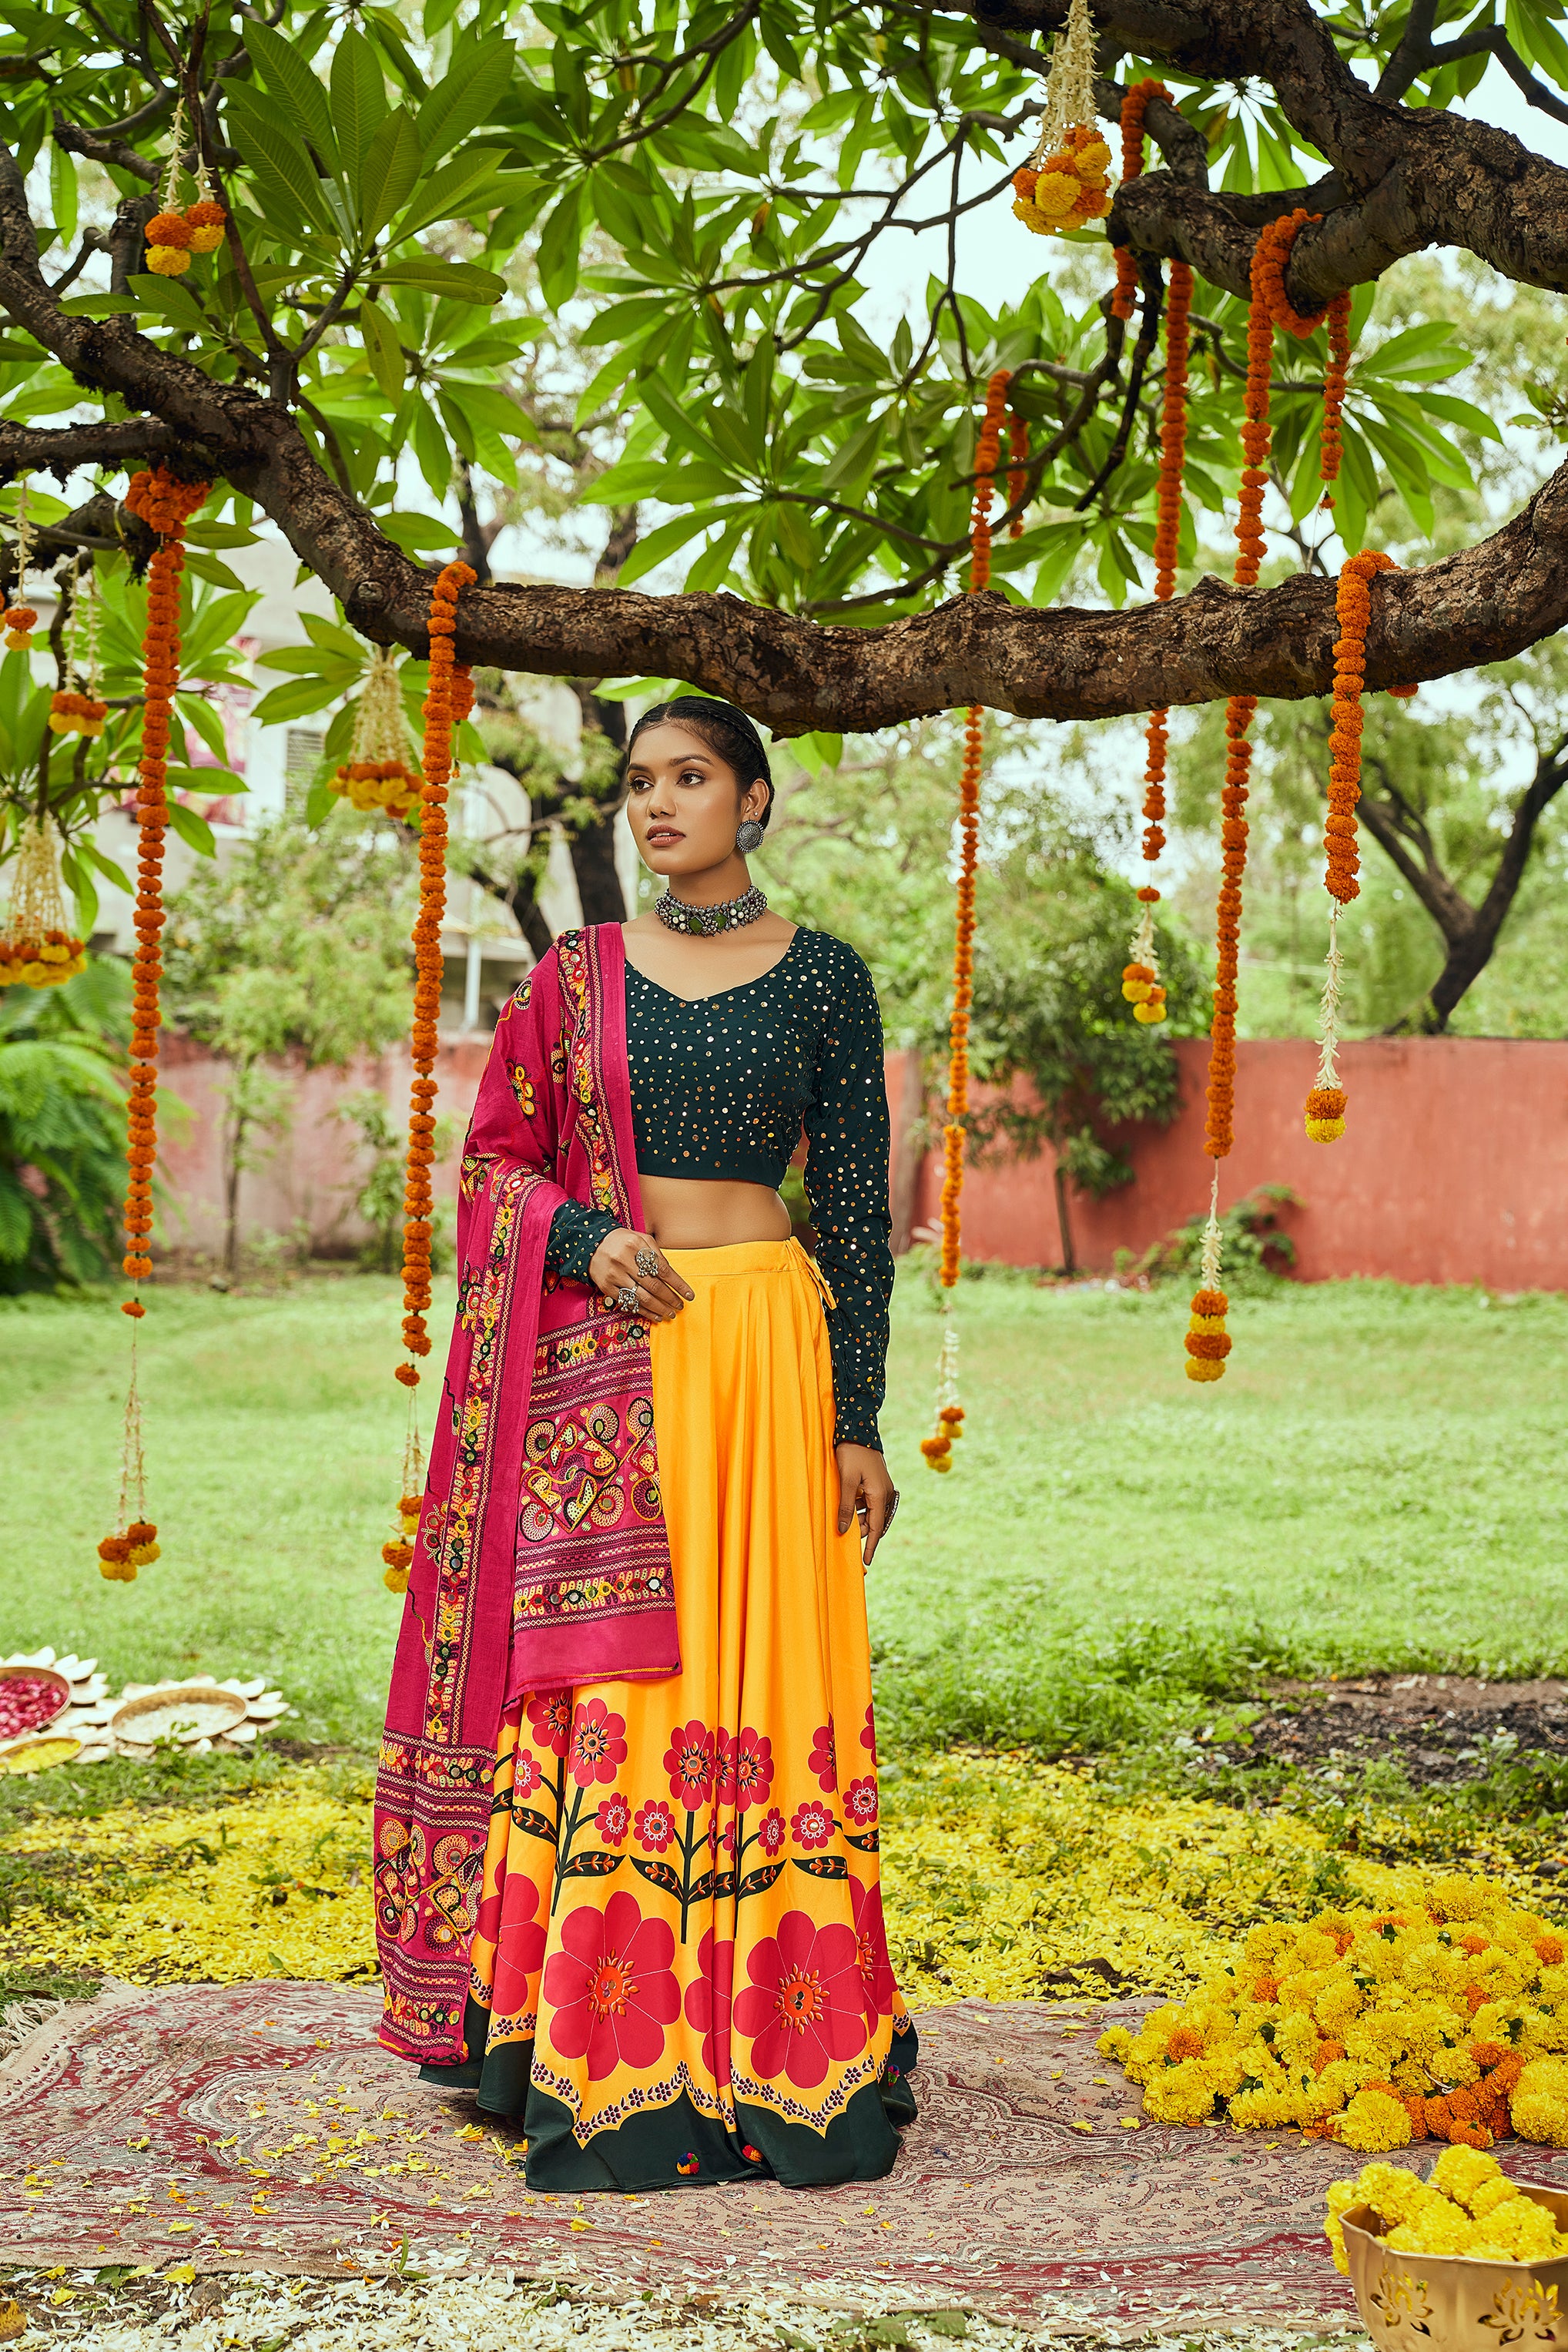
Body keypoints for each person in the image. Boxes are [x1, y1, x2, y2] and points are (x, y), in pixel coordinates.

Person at [374, 695, 916, 2193]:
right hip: (616, 1365)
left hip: (768, 1355)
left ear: (755, 799)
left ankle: (783, 2035)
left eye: (691, 777)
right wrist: (586, 1239)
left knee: (768, 1673)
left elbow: (856, 1213)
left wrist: (859, 1420)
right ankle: (596, 2036)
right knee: (625, 1684)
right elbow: (493, 1164)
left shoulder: (825, 977)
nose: (659, 803)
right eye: (640, 782)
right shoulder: (572, 978)